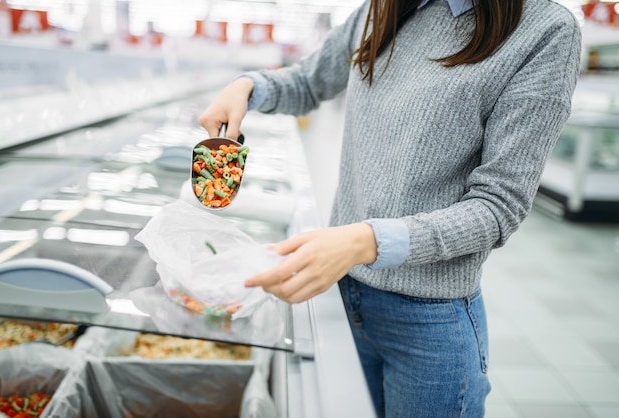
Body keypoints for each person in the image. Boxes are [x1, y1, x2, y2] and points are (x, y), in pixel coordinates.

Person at [198, 0, 582, 416]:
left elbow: (497, 206)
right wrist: (249, 87)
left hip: (428, 325)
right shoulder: (379, 10)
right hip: (343, 299)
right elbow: (310, 82)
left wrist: (367, 241)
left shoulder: (546, 30)